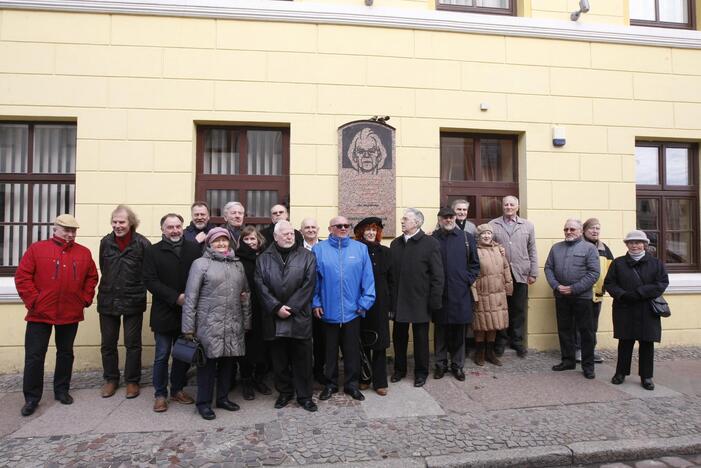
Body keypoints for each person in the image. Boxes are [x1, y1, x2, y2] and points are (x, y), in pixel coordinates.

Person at [15, 214, 99, 416]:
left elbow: (91, 277)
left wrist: (84, 299)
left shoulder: (84, 253)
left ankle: (62, 390)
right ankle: (31, 398)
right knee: (34, 356)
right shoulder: (37, 249)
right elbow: (23, 277)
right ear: (55, 229)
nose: (70, 234)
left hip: (70, 312)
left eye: (73, 231)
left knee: (65, 353)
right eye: (66, 230)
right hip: (39, 313)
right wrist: (34, 301)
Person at [182, 227, 251, 420]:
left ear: (229, 242)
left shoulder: (237, 264)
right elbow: (190, 297)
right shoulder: (200, 264)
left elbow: (245, 295)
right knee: (207, 365)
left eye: (224, 240)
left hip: (233, 322)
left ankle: (222, 398)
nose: (221, 244)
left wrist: (246, 321)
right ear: (209, 243)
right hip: (208, 323)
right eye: (216, 241)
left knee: (228, 363)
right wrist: (188, 327)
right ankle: (203, 403)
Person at [255, 220, 318, 412]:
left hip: (299, 316)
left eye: (291, 233)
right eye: (285, 234)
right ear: (275, 237)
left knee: (303, 360)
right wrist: (276, 308)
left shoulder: (307, 256)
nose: (290, 237)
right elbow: (260, 286)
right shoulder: (263, 258)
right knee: (279, 360)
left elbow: (309, 285)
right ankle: (284, 392)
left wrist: (290, 307)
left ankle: (305, 396)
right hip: (274, 318)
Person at [143, 213, 201, 412]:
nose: (175, 230)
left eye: (178, 226)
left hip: (187, 313)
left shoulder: (194, 248)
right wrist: (175, 297)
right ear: (163, 229)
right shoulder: (152, 251)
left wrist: (190, 298)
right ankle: (160, 394)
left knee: (183, 355)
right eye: (170, 227)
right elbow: (150, 280)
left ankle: (177, 389)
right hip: (164, 312)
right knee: (161, 354)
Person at [313, 216, 376, 401]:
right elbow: (314, 281)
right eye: (338, 225)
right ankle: (330, 384)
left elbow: (368, 280)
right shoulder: (319, 250)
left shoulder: (360, 249)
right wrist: (315, 302)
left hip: (353, 311)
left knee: (352, 351)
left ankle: (352, 385)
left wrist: (365, 303)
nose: (343, 228)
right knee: (329, 352)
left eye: (346, 225)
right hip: (328, 310)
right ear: (330, 228)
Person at [97, 205, 151, 399]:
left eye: (122, 222)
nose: (118, 225)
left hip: (133, 299)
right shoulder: (105, 242)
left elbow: (147, 272)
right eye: (115, 222)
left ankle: (132, 381)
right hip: (108, 299)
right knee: (108, 343)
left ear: (131, 223)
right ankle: (111, 379)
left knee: (133, 343)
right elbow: (104, 268)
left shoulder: (142, 243)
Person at [605, 230, 669, 391]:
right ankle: (620, 373)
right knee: (625, 342)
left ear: (645, 245)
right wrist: (624, 295)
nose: (635, 245)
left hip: (647, 309)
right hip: (624, 307)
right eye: (631, 242)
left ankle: (646, 376)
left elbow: (661, 283)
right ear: (627, 245)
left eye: (638, 242)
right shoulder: (618, 263)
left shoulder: (656, 263)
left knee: (647, 343)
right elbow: (610, 283)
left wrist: (640, 293)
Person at [390, 208, 444, 387]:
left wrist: (434, 301)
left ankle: (421, 372)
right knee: (399, 337)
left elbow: (438, 275)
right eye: (403, 219)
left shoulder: (430, 243)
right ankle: (400, 369)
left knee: (421, 340)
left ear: (417, 223)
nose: (402, 221)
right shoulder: (396, 244)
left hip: (421, 300)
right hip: (399, 300)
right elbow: (392, 276)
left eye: (406, 219)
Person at [544, 219, 600, 379]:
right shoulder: (556, 248)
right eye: (566, 229)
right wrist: (556, 286)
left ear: (581, 231)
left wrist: (573, 288)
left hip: (582, 297)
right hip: (561, 296)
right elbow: (548, 268)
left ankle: (588, 366)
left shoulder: (589, 248)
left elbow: (594, 273)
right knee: (564, 329)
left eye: (572, 229)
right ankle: (568, 360)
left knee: (586, 332)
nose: (568, 232)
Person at [431, 207, 480, 381]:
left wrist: (466, 279)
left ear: (455, 218)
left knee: (460, 332)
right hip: (440, 294)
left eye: (451, 217)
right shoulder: (432, 239)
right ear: (439, 219)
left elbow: (475, 265)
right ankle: (440, 364)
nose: (448, 220)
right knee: (440, 332)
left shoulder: (467, 238)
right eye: (445, 217)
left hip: (461, 293)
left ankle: (457, 366)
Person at [490, 195, 538, 358]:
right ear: (502, 207)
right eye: (506, 205)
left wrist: (533, 272)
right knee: (501, 309)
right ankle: (501, 341)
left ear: (517, 207)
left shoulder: (528, 226)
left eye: (512, 204)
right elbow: (487, 246)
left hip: (521, 273)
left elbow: (532, 249)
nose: (509, 207)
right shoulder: (493, 225)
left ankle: (517, 341)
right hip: (500, 274)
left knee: (518, 309)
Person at [354, 217, 392, 396]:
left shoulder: (385, 251)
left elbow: (392, 280)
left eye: (374, 229)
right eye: (368, 229)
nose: (371, 232)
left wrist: (391, 304)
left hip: (380, 303)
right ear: (361, 232)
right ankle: (364, 377)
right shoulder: (356, 250)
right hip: (360, 302)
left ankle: (380, 381)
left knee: (380, 342)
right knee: (362, 342)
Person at [235, 225, 272, 400]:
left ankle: (260, 378)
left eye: (253, 238)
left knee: (264, 346)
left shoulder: (266, 257)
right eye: (246, 239)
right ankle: (246, 381)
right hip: (246, 309)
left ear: (259, 240)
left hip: (264, 308)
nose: (250, 242)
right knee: (247, 348)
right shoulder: (237, 259)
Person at [471, 223, 513, 366]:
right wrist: (474, 293)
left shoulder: (499, 249)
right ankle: (480, 352)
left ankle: (490, 352)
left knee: (494, 323)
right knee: (481, 324)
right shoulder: (474, 250)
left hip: (498, 293)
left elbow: (506, 268)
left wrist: (508, 287)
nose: (487, 236)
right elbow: (472, 273)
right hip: (482, 293)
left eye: (489, 233)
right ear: (479, 236)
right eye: (484, 234)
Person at [575, 218, 614, 364]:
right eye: (592, 228)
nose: (595, 231)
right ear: (584, 230)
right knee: (579, 323)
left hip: (597, 293)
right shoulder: (578, 245)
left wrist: (605, 287)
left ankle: (590, 350)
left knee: (592, 324)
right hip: (580, 292)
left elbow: (611, 270)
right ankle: (578, 350)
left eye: (597, 228)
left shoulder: (604, 248)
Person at [300, 217, 324, 382]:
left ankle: (319, 371)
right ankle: (303, 373)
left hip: (322, 302)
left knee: (321, 339)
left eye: (313, 227)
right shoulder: (295, 248)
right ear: (301, 231)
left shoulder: (325, 247)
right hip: (300, 301)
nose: (310, 230)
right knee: (302, 341)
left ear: (318, 229)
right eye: (307, 227)